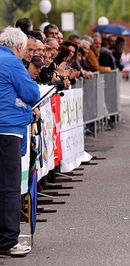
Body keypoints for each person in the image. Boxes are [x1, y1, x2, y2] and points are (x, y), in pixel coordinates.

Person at [0, 26, 41, 256]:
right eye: (24, 49)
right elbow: (32, 93)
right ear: (17, 47)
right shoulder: (12, 62)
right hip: (7, 129)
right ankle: (7, 241)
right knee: (8, 187)